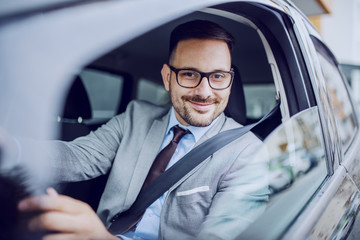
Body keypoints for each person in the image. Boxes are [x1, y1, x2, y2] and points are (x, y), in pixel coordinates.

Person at [15, 20, 268, 239]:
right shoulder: (137, 116)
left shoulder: (248, 154)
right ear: (167, 77)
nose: (204, 91)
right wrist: (11, 148)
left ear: (229, 80)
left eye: (218, 76)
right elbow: (77, 157)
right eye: (190, 74)